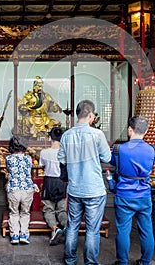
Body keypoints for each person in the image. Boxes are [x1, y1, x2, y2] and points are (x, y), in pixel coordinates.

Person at [58, 99, 111, 265]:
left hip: (74, 189)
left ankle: (69, 260)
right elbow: (107, 157)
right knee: (92, 229)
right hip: (94, 189)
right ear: (90, 115)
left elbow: (61, 159)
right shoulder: (97, 135)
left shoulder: (66, 135)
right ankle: (90, 262)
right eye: (93, 115)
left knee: (72, 226)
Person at [110, 115, 155, 265]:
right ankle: (145, 261)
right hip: (144, 194)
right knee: (146, 230)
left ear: (129, 130)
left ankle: (122, 261)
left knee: (123, 230)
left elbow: (113, 162)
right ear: (147, 130)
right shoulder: (152, 150)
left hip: (124, 193)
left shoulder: (119, 149)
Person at [6, 135, 39, 245]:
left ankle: (14, 235)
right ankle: (24, 234)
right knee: (25, 213)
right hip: (27, 188)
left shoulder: (9, 159)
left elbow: (9, 171)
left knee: (14, 212)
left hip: (13, 189)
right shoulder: (28, 158)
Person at [39, 126, 67, 246]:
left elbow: (42, 165)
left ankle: (55, 228)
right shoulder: (65, 153)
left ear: (50, 137)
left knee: (48, 209)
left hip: (49, 182)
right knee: (61, 209)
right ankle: (67, 227)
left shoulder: (44, 152)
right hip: (61, 182)